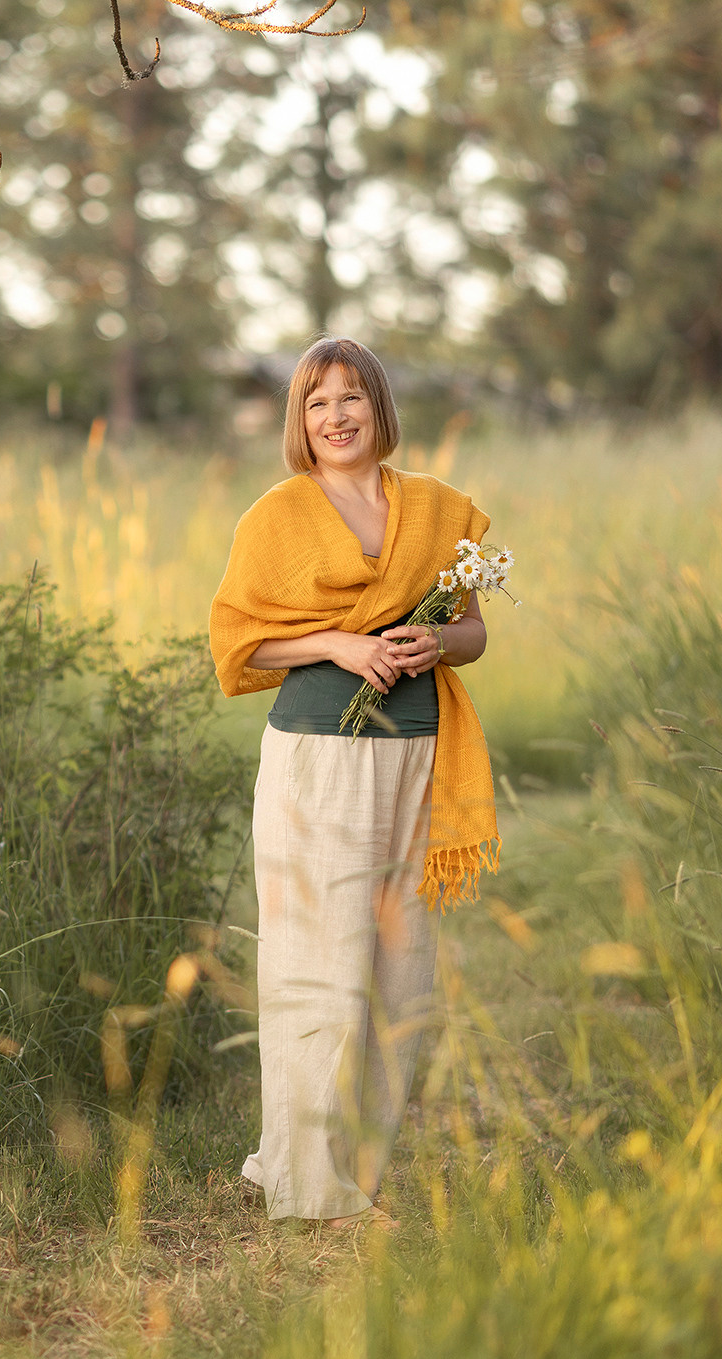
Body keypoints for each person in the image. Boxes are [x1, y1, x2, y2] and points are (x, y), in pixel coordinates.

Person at [208, 337, 500, 1227]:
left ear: (379, 408)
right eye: (315, 402)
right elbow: (237, 644)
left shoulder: (440, 509)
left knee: (397, 966)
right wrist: (337, 642)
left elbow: (476, 631)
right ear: (300, 420)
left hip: (418, 750)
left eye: (351, 398)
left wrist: (433, 642)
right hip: (319, 760)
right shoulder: (277, 517)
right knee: (319, 959)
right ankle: (307, 1178)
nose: (335, 416)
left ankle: (352, 1168)